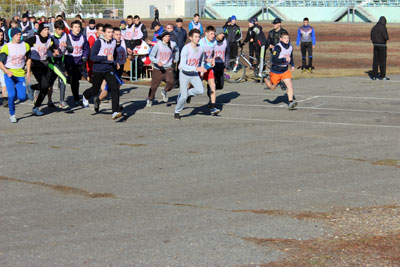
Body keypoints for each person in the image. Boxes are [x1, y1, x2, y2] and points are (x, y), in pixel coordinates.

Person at [82, 24, 121, 120]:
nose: (111, 34)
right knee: (95, 90)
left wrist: (116, 62)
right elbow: (92, 57)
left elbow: (113, 54)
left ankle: (114, 111)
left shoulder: (114, 42)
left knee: (115, 88)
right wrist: (105, 58)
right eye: (108, 32)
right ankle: (85, 95)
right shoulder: (98, 42)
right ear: (103, 33)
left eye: (112, 32)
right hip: (98, 70)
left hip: (109, 69)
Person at [26, 23, 58, 116]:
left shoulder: (50, 39)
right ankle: (33, 91)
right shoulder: (34, 39)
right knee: (44, 85)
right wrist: (28, 58)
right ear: (40, 30)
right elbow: (24, 46)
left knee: (45, 87)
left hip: (45, 63)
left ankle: (36, 106)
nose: (47, 31)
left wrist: (55, 52)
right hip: (36, 64)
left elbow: (53, 48)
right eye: (45, 29)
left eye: (48, 29)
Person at [0, 28, 31, 122]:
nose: (19, 36)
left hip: (20, 73)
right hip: (9, 73)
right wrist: (6, 71)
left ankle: (23, 90)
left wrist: (28, 71)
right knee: (11, 95)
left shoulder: (25, 45)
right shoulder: (7, 47)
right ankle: (12, 114)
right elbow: (0, 62)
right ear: (12, 36)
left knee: (22, 97)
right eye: (16, 34)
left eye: (20, 34)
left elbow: (29, 58)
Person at [174, 29, 206, 120]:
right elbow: (183, 65)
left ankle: (187, 93)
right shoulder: (186, 49)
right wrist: (196, 68)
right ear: (190, 38)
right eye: (195, 37)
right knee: (183, 97)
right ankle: (177, 111)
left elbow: (202, 61)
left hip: (194, 74)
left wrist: (202, 71)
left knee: (200, 91)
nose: (198, 38)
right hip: (184, 74)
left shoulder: (201, 48)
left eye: (199, 36)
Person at [263, 33, 297, 110]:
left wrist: (292, 65)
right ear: (281, 39)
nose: (287, 40)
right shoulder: (278, 47)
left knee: (290, 86)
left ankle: (290, 102)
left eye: (288, 38)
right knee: (272, 88)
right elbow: (274, 60)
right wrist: (284, 60)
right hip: (275, 71)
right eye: (285, 38)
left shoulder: (290, 47)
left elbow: (290, 56)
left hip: (284, 71)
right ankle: (264, 78)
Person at [147, 31, 179, 107]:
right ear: (162, 38)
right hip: (158, 68)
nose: (167, 38)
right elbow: (151, 56)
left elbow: (177, 50)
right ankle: (150, 99)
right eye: (165, 37)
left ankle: (164, 91)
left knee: (171, 82)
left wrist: (176, 59)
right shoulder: (158, 45)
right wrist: (157, 61)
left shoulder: (172, 44)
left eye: (168, 36)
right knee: (154, 86)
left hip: (168, 66)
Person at [65, 20, 90, 106]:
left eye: (79, 27)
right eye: (75, 27)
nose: (78, 29)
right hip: (70, 61)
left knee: (77, 78)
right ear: (71, 28)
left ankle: (66, 80)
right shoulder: (67, 37)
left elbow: (86, 48)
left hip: (80, 61)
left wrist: (85, 56)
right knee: (74, 80)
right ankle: (76, 98)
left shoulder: (83, 37)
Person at [47, 19, 71, 109]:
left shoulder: (65, 36)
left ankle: (49, 100)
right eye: (59, 29)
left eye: (62, 29)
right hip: (52, 62)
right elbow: (47, 51)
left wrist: (67, 46)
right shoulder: (51, 37)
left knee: (51, 83)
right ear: (55, 29)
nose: (61, 31)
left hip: (61, 61)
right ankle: (61, 101)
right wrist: (52, 53)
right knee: (63, 78)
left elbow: (71, 49)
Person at [199, 26, 220, 115]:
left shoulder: (214, 41)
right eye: (211, 34)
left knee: (213, 85)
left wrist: (213, 60)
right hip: (200, 66)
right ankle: (187, 95)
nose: (213, 35)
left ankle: (213, 106)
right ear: (206, 33)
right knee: (194, 86)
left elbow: (214, 53)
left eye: (214, 34)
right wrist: (206, 60)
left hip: (208, 67)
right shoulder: (201, 42)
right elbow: (198, 55)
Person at [370, 16, 390, 80]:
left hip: (375, 45)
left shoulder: (374, 27)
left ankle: (374, 76)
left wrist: (374, 42)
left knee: (375, 61)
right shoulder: (383, 27)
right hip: (382, 46)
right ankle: (382, 76)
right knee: (382, 61)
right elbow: (386, 37)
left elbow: (371, 36)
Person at [214, 27, 230, 91]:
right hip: (213, 64)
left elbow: (228, 53)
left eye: (223, 33)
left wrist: (226, 64)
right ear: (217, 34)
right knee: (212, 82)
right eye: (221, 33)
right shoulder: (212, 42)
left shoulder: (226, 42)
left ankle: (213, 88)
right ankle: (211, 91)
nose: (223, 35)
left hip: (221, 64)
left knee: (220, 85)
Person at [0, 29, 8, 107]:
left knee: (3, 82)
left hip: (2, 66)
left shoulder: (5, 44)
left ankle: (5, 98)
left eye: (2, 35)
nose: (0, 37)